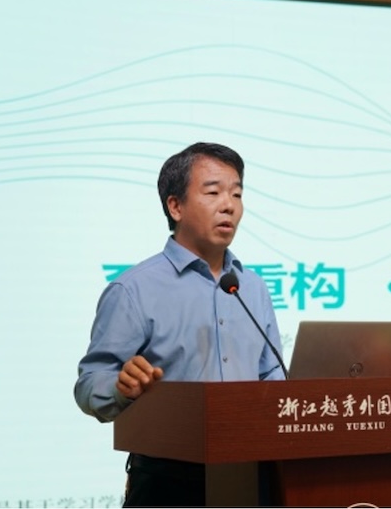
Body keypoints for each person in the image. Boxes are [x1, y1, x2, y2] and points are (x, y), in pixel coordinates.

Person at [74, 142, 285, 507]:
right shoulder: (134, 289)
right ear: (175, 206)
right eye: (213, 192)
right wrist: (121, 387)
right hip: (169, 482)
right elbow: (89, 384)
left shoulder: (251, 287)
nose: (229, 205)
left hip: (252, 475)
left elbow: (272, 375)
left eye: (236, 194)